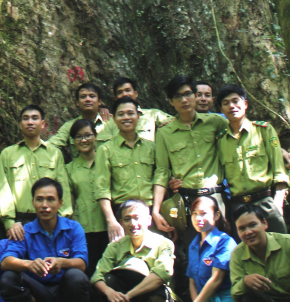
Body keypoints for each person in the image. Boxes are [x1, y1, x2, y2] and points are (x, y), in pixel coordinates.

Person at [0, 178, 90, 302]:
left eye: (50, 199)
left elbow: (82, 264)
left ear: (60, 202)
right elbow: (5, 262)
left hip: (65, 292)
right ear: (33, 202)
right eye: (39, 199)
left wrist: (63, 263)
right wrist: (28, 264)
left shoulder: (73, 228)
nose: (45, 205)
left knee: (77, 276)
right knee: (8, 278)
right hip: (38, 294)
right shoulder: (24, 231)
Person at [153, 76, 228, 238]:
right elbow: (162, 171)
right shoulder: (165, 132)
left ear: (195, 95)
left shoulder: (215, 122)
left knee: (223, 248)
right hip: (187, 201)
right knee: (194, 248)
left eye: (188, 94)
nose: (184, 99)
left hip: (216, 197)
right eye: (178, 96)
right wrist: (156, 210)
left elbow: (240, 132)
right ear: (171, 102)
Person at [91, 199, 176, 302]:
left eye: (137, 218)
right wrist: (109, 292)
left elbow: (161, 275)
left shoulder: (163, 243)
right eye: (127, 219)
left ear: (149, 220)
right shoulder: (115, 247)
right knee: (110, 280)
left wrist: (128, 296)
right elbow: (96, 277)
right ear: (121, 223)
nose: (132, 224)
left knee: (156, 288)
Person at [216, 85, 289, 234]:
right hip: (238, 207)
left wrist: (278, 203)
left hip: (265, 203)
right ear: (221, 110)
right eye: (226, 103)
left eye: (236, 101)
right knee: (248, 253)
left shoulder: (264, 130)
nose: (232, 106)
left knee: (280, 247)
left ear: (245, 104)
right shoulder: (220, 140)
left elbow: (279, 170)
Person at [177, 196, 246, 302]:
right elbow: (192, 281)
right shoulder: (193, 245)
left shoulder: (225, 242)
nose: (198, 218)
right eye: (194, 214)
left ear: (216, 215)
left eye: (203, 213)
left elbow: (216, 280)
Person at [0, 105, 72, 242]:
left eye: (35, 118)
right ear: (20, 125)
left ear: (43, 124)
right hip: (20, 223)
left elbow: (63, 188)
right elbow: (3, 190)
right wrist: (10, 223)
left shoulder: (54, 153)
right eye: (25, 119)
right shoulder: (7, 154)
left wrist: (62, 220)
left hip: (50, 219)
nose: (30, 122)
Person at [95, 97, 157, 242]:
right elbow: (102, 189)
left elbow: (161, 177)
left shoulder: (151, 147)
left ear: (138, 116)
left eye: (131, 113)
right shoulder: (106, 150)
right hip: (123, 215)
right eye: (121, 114)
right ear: (114, 119)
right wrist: (111, 221)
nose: (126, 117)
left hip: (150, 213)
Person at [66, 119, 108, 276]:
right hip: (83, 228)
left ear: (95, 136)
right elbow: (69, 201)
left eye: (88, 135)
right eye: (78, 136)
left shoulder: (107, 161)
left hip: (108, 226)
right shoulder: (69, 169)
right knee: (88, 272)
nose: (83, 140)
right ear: (73, 141)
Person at [48, 83, 115, 155]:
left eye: (92, 96)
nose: (88, 99)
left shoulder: (111, 122)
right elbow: (52, 144)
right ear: (77, 103)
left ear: (99, 101)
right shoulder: (70, 126)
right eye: (83, 97)